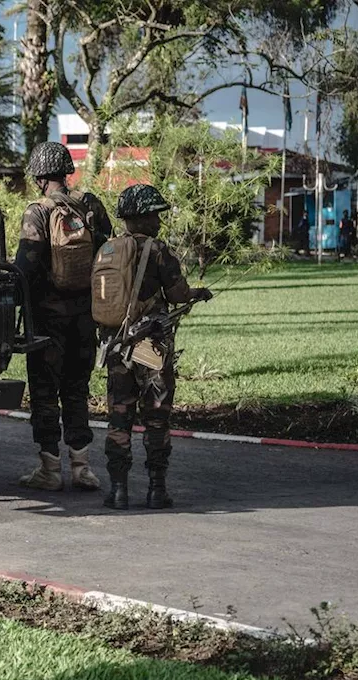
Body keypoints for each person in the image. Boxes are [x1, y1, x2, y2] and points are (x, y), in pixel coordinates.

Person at [101, 184, 213, 510]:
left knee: (119, 416)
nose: (159, 221)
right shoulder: (157, 250)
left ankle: (118, 491)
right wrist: (197, 293)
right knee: (156, 415)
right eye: (155, 215)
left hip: (116, 343)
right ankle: (156, 489)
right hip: (149, 342)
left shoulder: (108, 250)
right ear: (143, 217)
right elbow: (177, 293)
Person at [14, 142, 114, 492]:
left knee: (44, 391)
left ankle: (49, 469)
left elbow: (25, 266)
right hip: (85, 316)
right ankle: (82, 467)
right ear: (66, 172)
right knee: (77, 388)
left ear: (40, 177)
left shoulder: (37, 212)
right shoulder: (90, 206)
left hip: (47, 320)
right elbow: (109, 253)